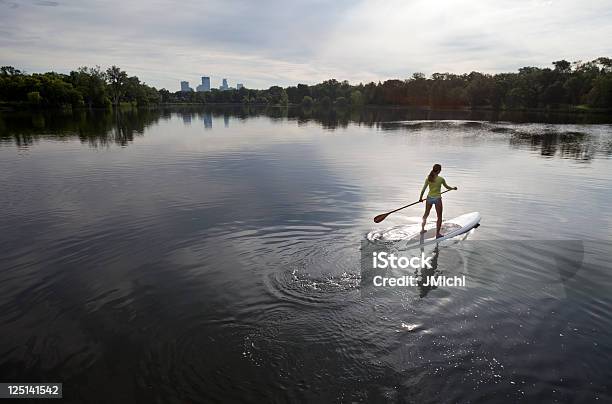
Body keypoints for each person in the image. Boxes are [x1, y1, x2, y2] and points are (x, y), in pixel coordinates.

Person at [419, 164, 457, 238]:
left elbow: (423, 189)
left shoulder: (428, 178)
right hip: (437, 199)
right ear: (439, 171)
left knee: (426, 214)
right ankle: (437, 234)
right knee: (439, 217)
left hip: (429, 198)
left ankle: (422, 229)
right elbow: (447, 187)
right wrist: (453, 188)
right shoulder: (441, 179)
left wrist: (420, 198)